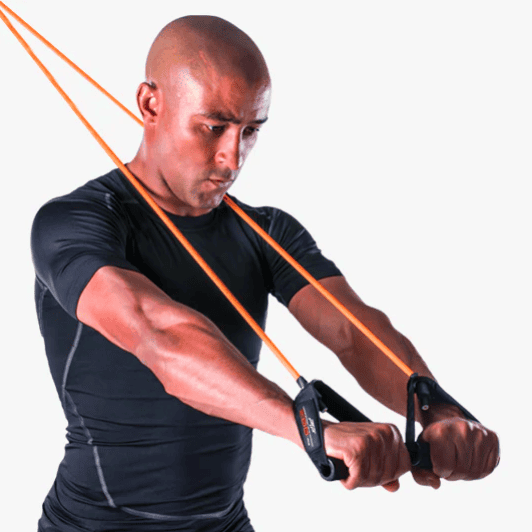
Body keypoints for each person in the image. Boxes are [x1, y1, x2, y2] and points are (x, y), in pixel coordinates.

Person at [31, 15, 499, 532]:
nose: (232, 158)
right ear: (150, 104)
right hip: (92, 525)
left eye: (250, 131)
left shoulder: (267, 231)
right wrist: (312, 431)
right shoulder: (75, 223)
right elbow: (160, 336)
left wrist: (438, 410)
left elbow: (353, 331)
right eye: (214, 127)